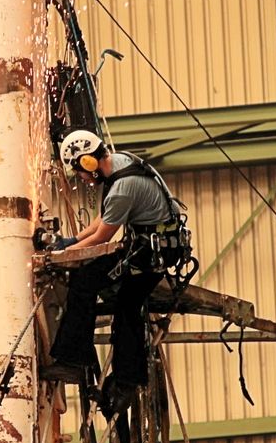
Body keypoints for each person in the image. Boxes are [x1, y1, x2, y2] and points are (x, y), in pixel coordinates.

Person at [42, 130, 193, 409]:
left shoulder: (124, 186)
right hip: (149, 245)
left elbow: (102, 237)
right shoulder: (121, 163)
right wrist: (73, 242)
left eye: (82, 172)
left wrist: (63, 255)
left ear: (88, 162)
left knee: (96, 287)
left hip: (151, 256)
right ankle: (119, 376)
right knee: (119, 301)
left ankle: (80, 364)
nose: (84, 179)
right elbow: (104, 218)